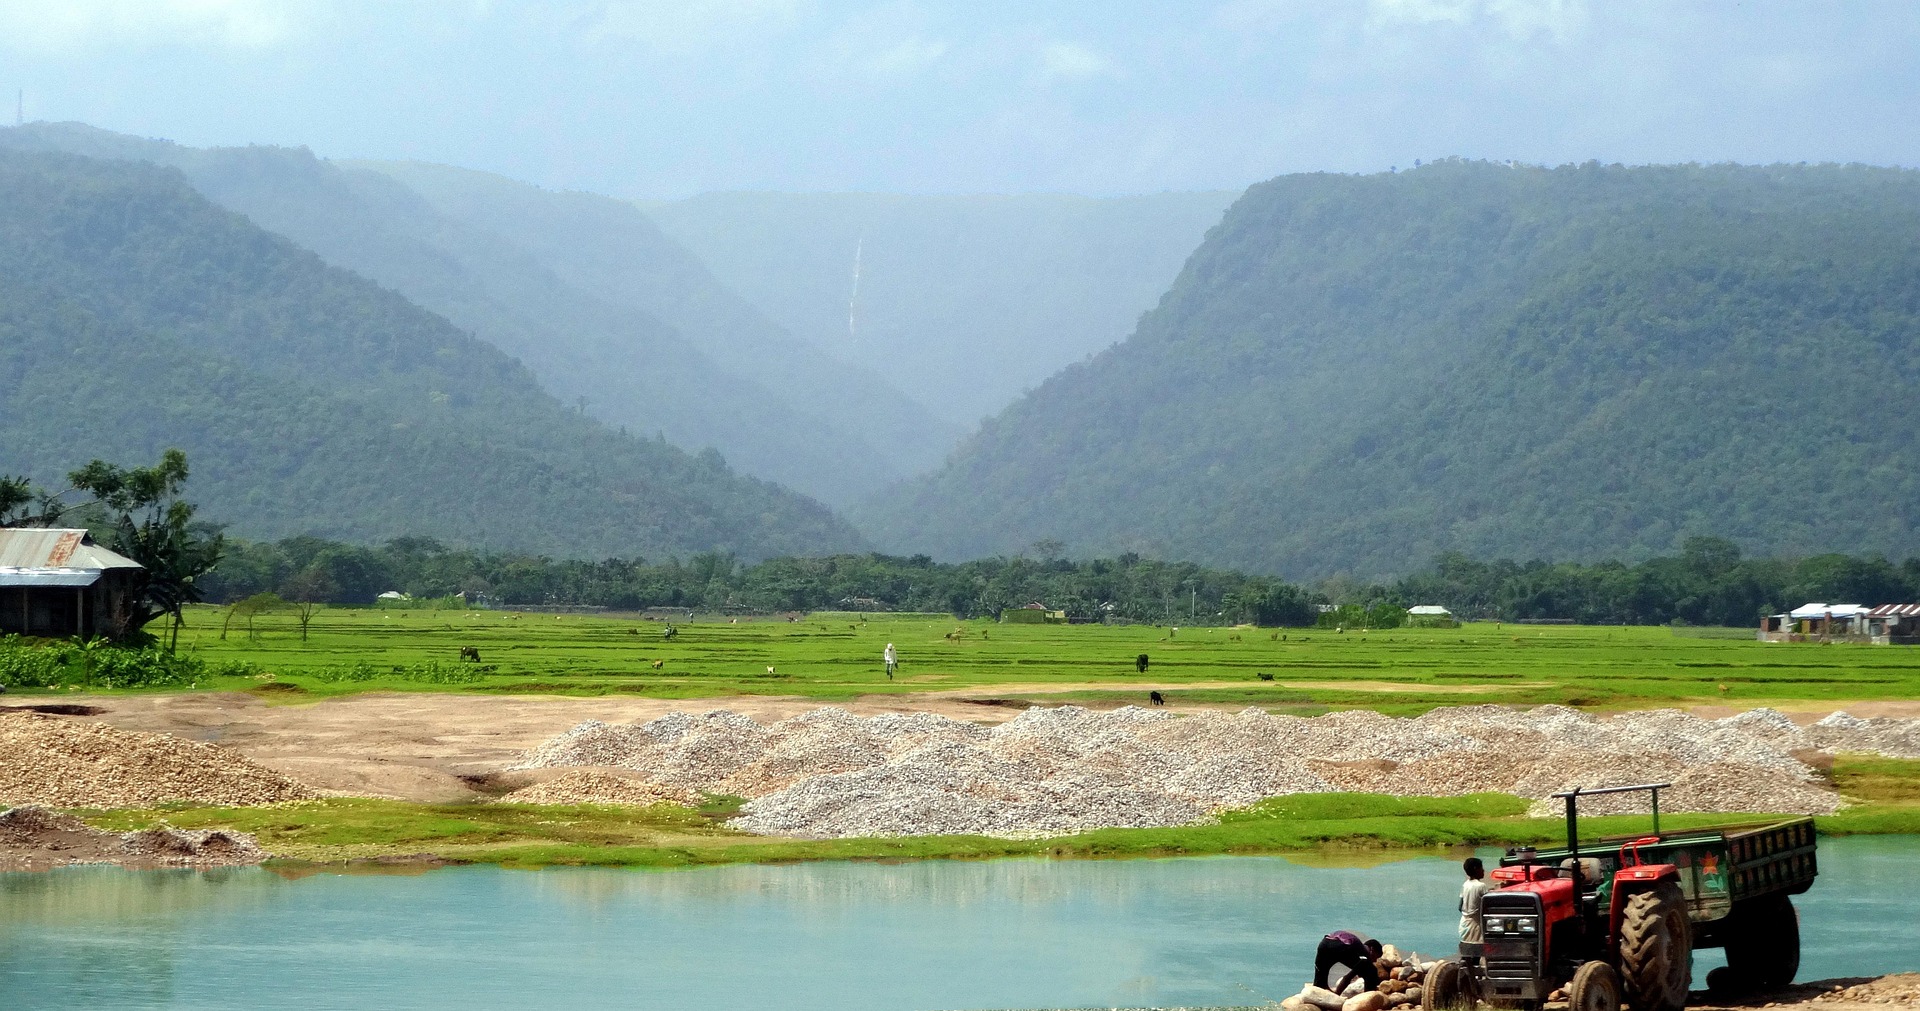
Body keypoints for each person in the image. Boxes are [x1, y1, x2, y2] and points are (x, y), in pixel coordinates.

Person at [1313, 931, 1382, 993]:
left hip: (1324, 944)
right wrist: (1339, 991)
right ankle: (1369, 995)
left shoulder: (1356, 944)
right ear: (1372, 949)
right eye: (1376, 957)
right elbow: (1349, 976)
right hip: (1341, 946)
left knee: (1320, 983)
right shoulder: (1364, 950)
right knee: (1371, 971)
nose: (1375, 960)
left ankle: (1319, 992)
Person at [1459, 857, 1489, 967]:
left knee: (1466, 955)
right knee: (1476, 955)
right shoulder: (1481, 886)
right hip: (1476, 926)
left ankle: (1463, 976)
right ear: (1476, 869)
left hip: (1464, 924)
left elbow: (1460, 906)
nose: (1483, 870)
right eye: (1482, 868)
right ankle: (1475, 978)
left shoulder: (1465, 884)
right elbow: (1487, 904)